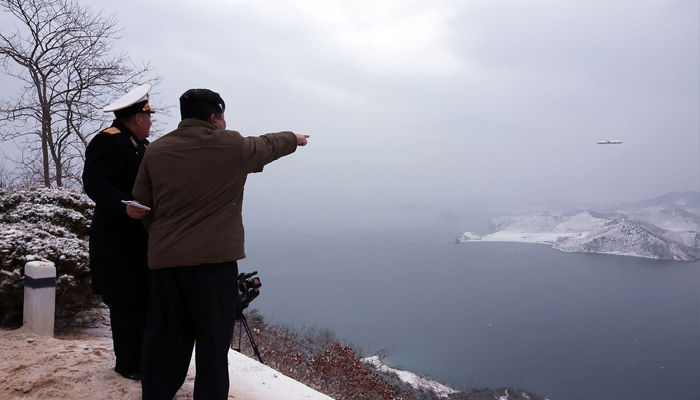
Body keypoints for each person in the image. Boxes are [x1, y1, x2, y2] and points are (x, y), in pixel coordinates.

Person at [131, 88, 309, 400]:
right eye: (222, 117)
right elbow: (268, 144)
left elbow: (142, 207)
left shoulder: (155, 151)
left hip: (166, 264)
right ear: (214, 118)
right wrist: (294, 138)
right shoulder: (232, 146)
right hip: (214, 266)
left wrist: (163, 238)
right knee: (213, 345)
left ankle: (157, 394)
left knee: (167, 338)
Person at [82, 84, 154, 381]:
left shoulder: (144, 147)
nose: (151, 123)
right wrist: (122, 206)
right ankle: (128, 365)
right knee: (125, 301)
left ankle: (144, 359)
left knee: (144, 299)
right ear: (138, 118)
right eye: (149, 117)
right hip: (116, 238)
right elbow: (94, 182)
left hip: (142, 238)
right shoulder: (107, 141)